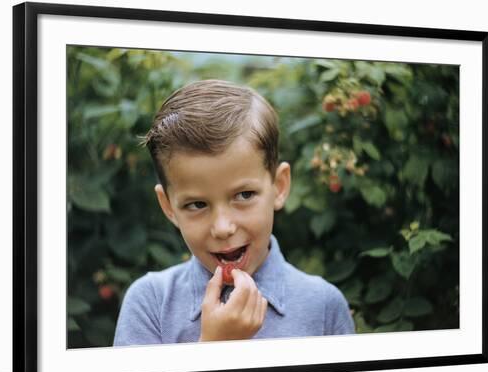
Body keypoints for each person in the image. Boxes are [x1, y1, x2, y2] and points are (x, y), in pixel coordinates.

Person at [113, 79, 354, 345]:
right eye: (197, 204)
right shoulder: (151, 304)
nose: (223, 227)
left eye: (244, 195)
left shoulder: (323, 307)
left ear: (279, 186)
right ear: (169, 206)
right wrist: (215, 346)